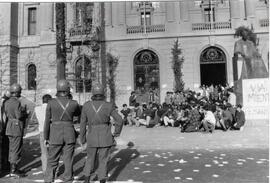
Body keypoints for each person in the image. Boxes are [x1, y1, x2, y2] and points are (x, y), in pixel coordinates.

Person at [80, 83, 123, 183]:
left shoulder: (86, 105)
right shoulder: (108, 105)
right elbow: (119, 120)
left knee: (90, 159)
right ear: (103, 92)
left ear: (93, 93)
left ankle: (86, 179)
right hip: (106, 135)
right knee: (103, 160)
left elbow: (82, 123)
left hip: (91, 136)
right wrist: (116, 133)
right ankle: (102, 180)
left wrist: (82, 138)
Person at [44, 80, 81, 183]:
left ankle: (48, 179)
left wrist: (46, 137)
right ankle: (68, 178)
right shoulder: (73, 103)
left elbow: (47, 121)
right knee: (68, 159)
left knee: (52, 158)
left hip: (55, 133)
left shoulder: (51, 103)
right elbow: (78, 113)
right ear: (68, 89)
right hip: (69, 132)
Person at [4, 84, 27, 177]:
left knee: (11, 148)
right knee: (16, 148)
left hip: (9, 126)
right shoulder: (17, 102)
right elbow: (18, 116)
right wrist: (24, 113)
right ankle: (14, 170)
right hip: (16, 127)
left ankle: (12, 168)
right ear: (17, 92)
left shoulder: (6, 102)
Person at [34, 94, 52, 174]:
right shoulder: (51, 109)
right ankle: (53, 170)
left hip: (42, 131)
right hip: (51, 131)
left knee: (44, 152)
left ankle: (45, 170)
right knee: (53, 152)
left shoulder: (37, 109)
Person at [1, 90, 11, 172]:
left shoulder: (2, 102)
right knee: (6, 147)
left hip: (2, 127)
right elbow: (4, 116)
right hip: (4, 127)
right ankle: (6, 164)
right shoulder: (6, 103)